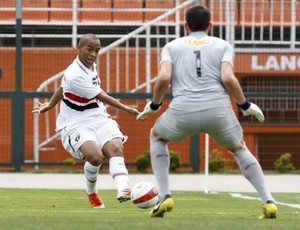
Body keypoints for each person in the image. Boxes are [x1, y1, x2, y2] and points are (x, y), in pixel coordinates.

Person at [137, 5, 278, 219]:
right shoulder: (223, 45)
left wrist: (154, 105)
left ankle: (165, 195)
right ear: (210, 26)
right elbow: (228, 78)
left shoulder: (171, 46)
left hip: (183, 110)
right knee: (239, 149)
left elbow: (163, 79)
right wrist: (245, 105)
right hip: (218, 110)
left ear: (185, 26)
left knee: (157, 137)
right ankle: (268, 201)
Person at [33, 33, 139, 208]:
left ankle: (124, 188)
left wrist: (50, 104)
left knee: (115, 147)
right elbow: (101, 95)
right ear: (79, 48)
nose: (93, 54)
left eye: (97, 50)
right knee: (96, 157)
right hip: (76, 122)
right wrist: (127, 109)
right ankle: (92, 192)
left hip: (98, 116)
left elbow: (62, 87)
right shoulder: (74, 74)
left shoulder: (90, 66)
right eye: (89, 49)